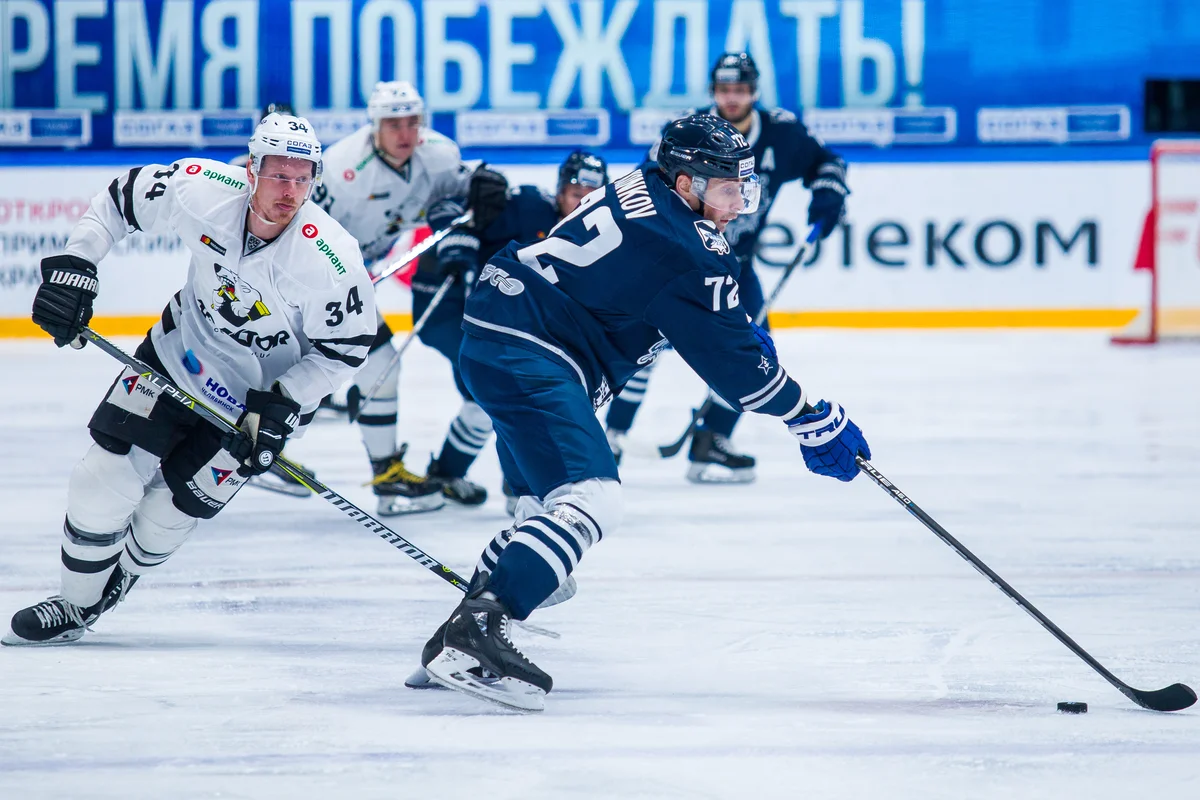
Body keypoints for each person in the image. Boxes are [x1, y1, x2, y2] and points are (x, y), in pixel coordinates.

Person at [413, 114, 871, 711]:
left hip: (500, 328)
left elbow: (653, 299)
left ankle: (458, 628)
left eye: (743, 186)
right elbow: (736, 372)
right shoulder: (690, 247)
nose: (739, 203)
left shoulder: (642, 186)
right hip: (533, 349)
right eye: (729, 188)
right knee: (593, 498)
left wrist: (720, 324)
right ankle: (478, 633)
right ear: (687, 183)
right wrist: (812, 418)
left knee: (539, 510)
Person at [4, 113, 375, 645]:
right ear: (251, 169)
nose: (289, 190)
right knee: (101, 481)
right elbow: (120, 200)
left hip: (254, 405)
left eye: (302, 177)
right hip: (178, 358)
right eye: (277, 173)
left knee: (167, 512)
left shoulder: (330, 259)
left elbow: (346, 349)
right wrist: (76, 262)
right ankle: (76, 605)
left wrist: (287, 400)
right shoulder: (202, 189)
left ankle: (123, 576)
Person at [605, 52, 850, 484]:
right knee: (648, 345)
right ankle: (614, 435)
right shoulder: (689, 132)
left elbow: (826, 162)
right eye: (723, 89)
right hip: (680, 263)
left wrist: (828, 191)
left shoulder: (782, 132)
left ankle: (712, 440)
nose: (731, 98)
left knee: (751, 350)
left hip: (738, 264)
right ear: (712, 92)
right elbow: (645, 182)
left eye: (740, 89)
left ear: (754, 91)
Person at [316, 81, 509, 516]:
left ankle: (388, 478)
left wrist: (486, 183)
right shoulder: (342, 169)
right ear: (374, 125)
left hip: (358, 272)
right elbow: (301, 230)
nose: (404, 133)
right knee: (362, 363)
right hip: (319, 275)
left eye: (411, 122)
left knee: (379, 362)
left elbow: (462, 193)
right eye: (393, 124)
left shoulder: (438, 155)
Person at [410, 150, 609, 507]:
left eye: (591, 193)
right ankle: (519, 485)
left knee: (487, 399)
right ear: (560, 190)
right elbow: (455, 207)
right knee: (503, 392)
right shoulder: (529, 207)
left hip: (490, 320)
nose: (582, 200)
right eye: (575, 190)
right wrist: (460, 239)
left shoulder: (595, 239)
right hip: (447, 303)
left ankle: (450, 475)